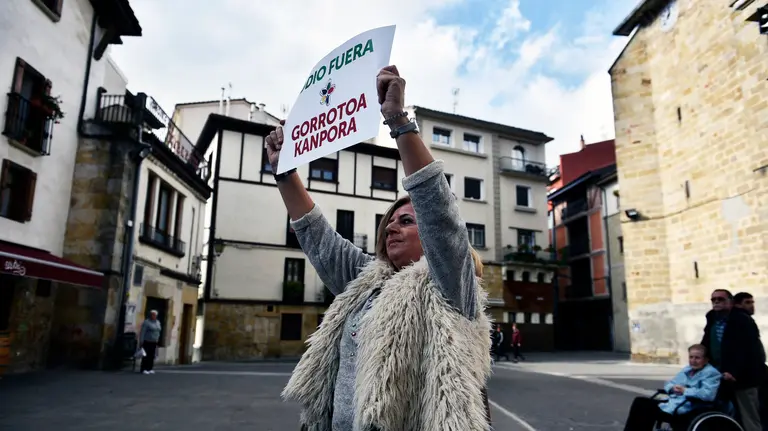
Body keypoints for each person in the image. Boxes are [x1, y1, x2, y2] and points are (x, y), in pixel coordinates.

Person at [275, 65, 492, 431]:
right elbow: (319, 239)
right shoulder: (366, 282)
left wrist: (397, 121)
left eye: (406, 221)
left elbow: (439, 212)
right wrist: (283, 171)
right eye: (390, 221)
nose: (391, 225)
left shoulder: (451, 285)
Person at [702, 289, 764, 431]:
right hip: (719, 375)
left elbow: (748, 351)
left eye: (721, 299)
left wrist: (734, 372)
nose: (716, 302)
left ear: (731, 302)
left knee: (749, 416)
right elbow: (706, 343)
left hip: (744, 377)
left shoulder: (742, 320)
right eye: (713, 300)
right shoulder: (712, 318)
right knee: (722, 413)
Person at [624, 344, 722, 430]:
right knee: (640, 402)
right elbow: (670, 383)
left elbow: (708, 395)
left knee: (646, 409)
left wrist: (685, 391)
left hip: (688, 408)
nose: (693, 361)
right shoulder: (687, 369)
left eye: (697, 358)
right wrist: (672, 388)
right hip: (673, 403)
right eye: (691, 357)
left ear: (705, 360)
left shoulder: (711, 373)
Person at [138, 310, 162, 375]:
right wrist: (141, 341)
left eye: (154, 315)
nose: (153, 316)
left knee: (152, 355)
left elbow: (159, 331)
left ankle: (150, 368)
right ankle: (144, 369)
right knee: (146, 355)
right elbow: (142, 332)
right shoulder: (146, 322)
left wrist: (158, 339)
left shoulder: (158, 322)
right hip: (147, 341)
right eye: (152, 315)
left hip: (154, 341)